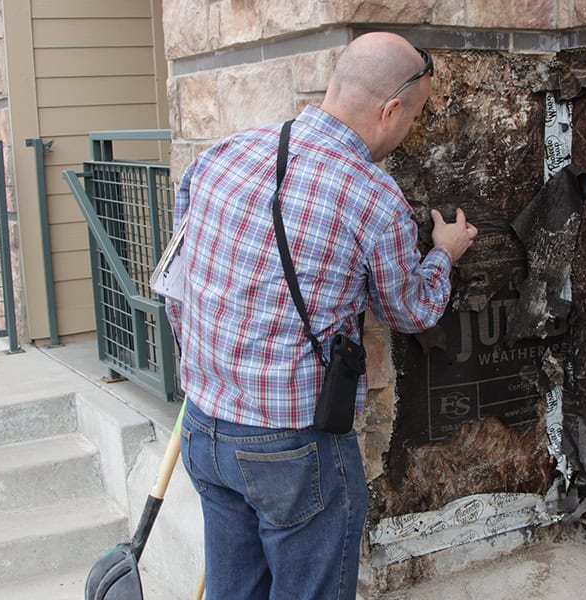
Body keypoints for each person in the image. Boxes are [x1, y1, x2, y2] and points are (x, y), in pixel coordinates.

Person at [166, 32, 478, 599]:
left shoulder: (221, 156)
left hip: (203, 428)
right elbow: (410, 310)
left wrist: (202, 372)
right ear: (389, 110)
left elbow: (177, 289)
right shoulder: (372, 196)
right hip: (291, 450)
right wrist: (444, 253)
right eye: (414, 117)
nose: (410, 130)